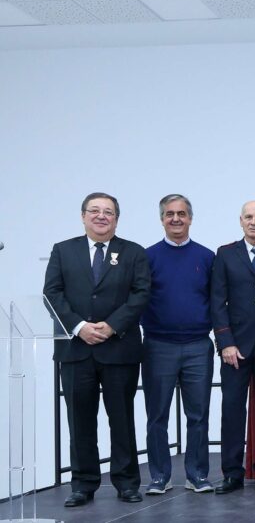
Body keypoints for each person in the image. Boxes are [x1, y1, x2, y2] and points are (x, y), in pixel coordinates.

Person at [43, 192, 151, 507]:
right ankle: (82, 484)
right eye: (94, 210)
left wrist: (112, 325)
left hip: (119, 349)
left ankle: (127, 483)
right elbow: (52, 293)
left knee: (122, 419)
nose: (101, 216)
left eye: (108, 212)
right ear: (83, 216)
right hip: (76, 350)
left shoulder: (133, 252)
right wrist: (79, 327)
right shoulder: (63, 250)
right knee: (80, 421)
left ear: (116, 219)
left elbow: (141, 294)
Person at [141, 194, 216, 494]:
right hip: (158, 345)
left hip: (198, 345)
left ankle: (197, 474)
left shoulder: (206, 257)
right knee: (157, 416)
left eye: (181, 214)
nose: (176, 219)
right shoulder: (147, 257)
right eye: (170, 214)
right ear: (162, 219)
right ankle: (160, 476)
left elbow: (215, 300)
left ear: (190, 218)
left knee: (198, 416)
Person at [210, 200, 255, 493]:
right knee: (231, 409)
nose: (254, 222)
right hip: (236, 346)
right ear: (241, 221)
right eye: (249, 217)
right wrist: (225, 342)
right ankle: (231, 473)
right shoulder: (226, 254)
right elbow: (218, 302)